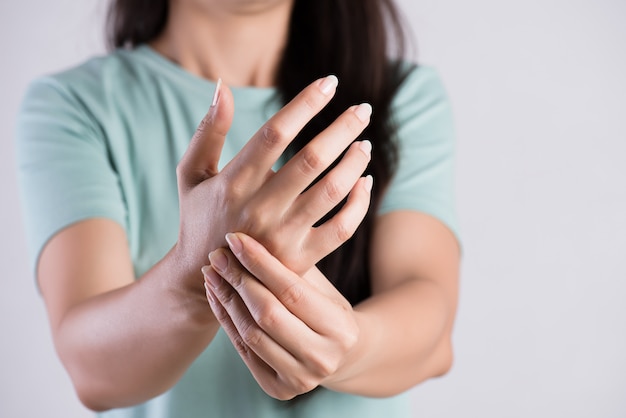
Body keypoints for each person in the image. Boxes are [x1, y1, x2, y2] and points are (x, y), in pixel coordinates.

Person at [16, 0, 460, 416]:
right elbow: (91, 369)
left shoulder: (401, 95)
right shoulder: (76, 104)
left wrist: (346, 349)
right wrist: (192, 274)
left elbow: (432, 328)